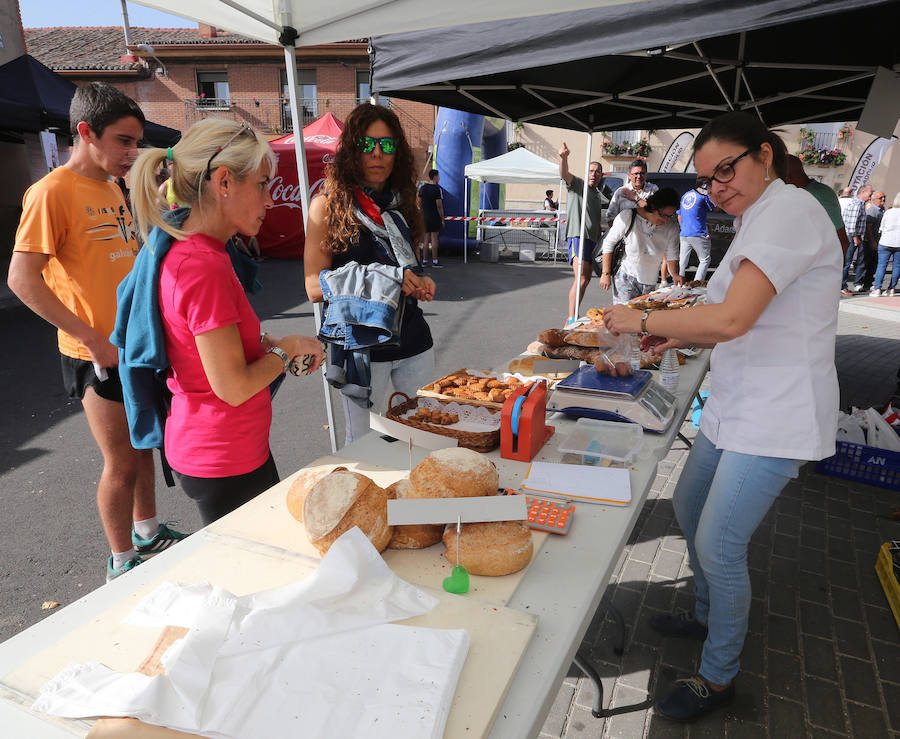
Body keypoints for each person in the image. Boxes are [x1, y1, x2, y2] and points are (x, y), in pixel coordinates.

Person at [603, 111, 840, 722]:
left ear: (764, 154)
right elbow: (729, 317)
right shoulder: (761, 216)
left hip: (776, 414)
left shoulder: (789, 213)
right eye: (708, 179)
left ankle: (718, 675)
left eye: (726, 169)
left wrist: (643, 320)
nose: (718, 185)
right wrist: (675, 337)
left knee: (719, 543)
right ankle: (707, 613)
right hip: (736, 403)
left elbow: (733, 318)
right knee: (686, 506)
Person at [7, 82, 186, 582]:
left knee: (144, 444)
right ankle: (121, 562)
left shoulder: (113, 185)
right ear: (86, 132)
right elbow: (21, 280)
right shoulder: (49, 192)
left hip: (136, 343)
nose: (133, 152)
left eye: (137, 142)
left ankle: (147, 531)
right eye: (125, 141)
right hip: (96, 353)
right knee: (121, 462)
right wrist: (91, 339)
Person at [125, 118, 325, 525]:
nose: (270, 200)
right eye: (263, 184)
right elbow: (232, 386)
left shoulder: (203, 252)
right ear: (224, 182)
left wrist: (275, 345)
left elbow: (214, 344)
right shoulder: (201, 265)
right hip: (222, 456)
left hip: (227, 450)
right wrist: (286, 351)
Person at [304, 103, 436, 446]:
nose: (378, 153)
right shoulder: (327, 206)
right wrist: (388, 279)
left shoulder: (405, 203)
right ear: (351, 150)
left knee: (420, 438)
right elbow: (313, 287)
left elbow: (405, 269)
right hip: (364, 349)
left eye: (387, 145)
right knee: (365, 447)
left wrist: (418, 282)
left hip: (415, 342)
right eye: (366, 145)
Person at [599, 188, 682, 303]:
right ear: (653, 206)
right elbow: (609, 243)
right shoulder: (628, 215)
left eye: (670, 216)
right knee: (623, 316)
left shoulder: (671, 228)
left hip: (650, 281)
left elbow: (672, 255)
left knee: (643, 318)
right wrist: (606, 273)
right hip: (626, 277)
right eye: (663, 215)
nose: (666, 220)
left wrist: (675, 275)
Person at [558, 141, 605, 327]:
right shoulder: (578, 184)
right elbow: (564, 174)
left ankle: (574, 316)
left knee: (585, 280)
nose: (594, 174)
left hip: (592, 240)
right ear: (587, 173)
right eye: (591, 171)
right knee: (579, 280)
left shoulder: (597, 194)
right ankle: (570, 318)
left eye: (597, 172)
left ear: (601, 175)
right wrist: (563, 158)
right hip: (578, 236)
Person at [606, 159, 664, 282]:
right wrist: (620, 235)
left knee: (645, 293)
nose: (639, 176)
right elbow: (610, 217)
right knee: (626, 282)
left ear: (646, 175)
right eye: (635, 174)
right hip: (626, 248)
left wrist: (635, 198)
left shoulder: (653, 190)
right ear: (629, 175)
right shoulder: (620, 192)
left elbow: (656, 213)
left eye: (642, 173)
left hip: (648, 246)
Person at [783, 154, 849, 257]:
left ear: (788, 177)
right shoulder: (799, 193)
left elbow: (841, 239)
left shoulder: (820, 194)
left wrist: (833, 270)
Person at [677, 186, 716, 282]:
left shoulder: (685, 195)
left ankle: (678, 282)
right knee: (704, 260)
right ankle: (697, 283)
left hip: (684, 233)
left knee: (682, 261)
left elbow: (679, 215)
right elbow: (715, 208)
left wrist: (684, 228)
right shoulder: (703, 196)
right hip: (698, 232)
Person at [841, 183, 872, 294]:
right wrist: (855, 238)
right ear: (863, 192)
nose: (871, 194)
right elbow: (852, 223)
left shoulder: (860, 203)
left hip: (856, 236)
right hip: (852, 236)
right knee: (847, 261)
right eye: (870, 192)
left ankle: (851, 284)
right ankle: (842, 286)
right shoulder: (857, 203)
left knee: (854, 260)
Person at [870, 192, 900, 297]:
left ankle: (877, 289)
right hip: (899, 243)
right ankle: (891, 289)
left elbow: (881, 228)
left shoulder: (888, 212)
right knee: (897, 266)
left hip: (886, 241)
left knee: (882, 265)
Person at [418, 168, 444, 267]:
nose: (439, 178)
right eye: (438, 176)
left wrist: (422, 212)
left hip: (425, 216)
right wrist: (442, 218)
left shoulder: (422, 188)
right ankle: (435, 261)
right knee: (434, 239)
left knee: (425, 239)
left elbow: (418, 202)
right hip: (434, 216)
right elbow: (439, 206)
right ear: (435, 177)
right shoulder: (437, 189)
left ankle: (424, 261)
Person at [860, 190, 886, 291]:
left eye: (884, 197)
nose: (883, 199)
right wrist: (872, 242)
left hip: (878, 242)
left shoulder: (881, 209)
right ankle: (859, 283)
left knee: (873, 264)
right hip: (870, 242)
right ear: (874, 200)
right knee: (866, 263)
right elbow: (868, 228)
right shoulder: (872, 210)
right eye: (880, 198)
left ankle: (867, 283)